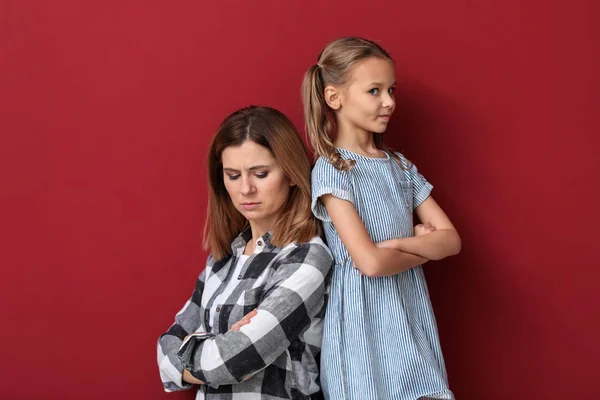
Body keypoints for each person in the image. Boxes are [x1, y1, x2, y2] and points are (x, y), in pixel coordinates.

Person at [302, 37, 461, 399]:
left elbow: (452, 241)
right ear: (334, 98)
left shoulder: (400, 167)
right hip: (363, 330)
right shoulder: (332, 170)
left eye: (391, 89)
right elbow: (370, 265)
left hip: (409, 316)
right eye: (374, 91)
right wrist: (424, 246)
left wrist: (396, 246)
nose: (389, 101)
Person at [157, 105, 333, 399]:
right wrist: (219, 345)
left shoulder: (306, 258)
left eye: (260, 173)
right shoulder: (222, 260)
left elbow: (233, 360)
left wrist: (194, 352)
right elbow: (165, 347)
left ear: (290, 173)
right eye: (233, 175)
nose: (246, 189)